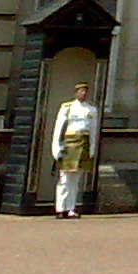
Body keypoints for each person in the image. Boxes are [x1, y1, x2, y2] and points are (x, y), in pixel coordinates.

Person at [49, 81, 101, 218]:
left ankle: (71, 208)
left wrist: (92, 148)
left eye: (85, 91)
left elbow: (93, 130)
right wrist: (56, 147)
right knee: (64, 178)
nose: (84, 93)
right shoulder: (67, 107)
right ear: (76, 93)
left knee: (76, 179)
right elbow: (58, 129)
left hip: (83, 143)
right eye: (81, 91)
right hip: (69, 144)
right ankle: (60, 208)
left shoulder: (91, 110)